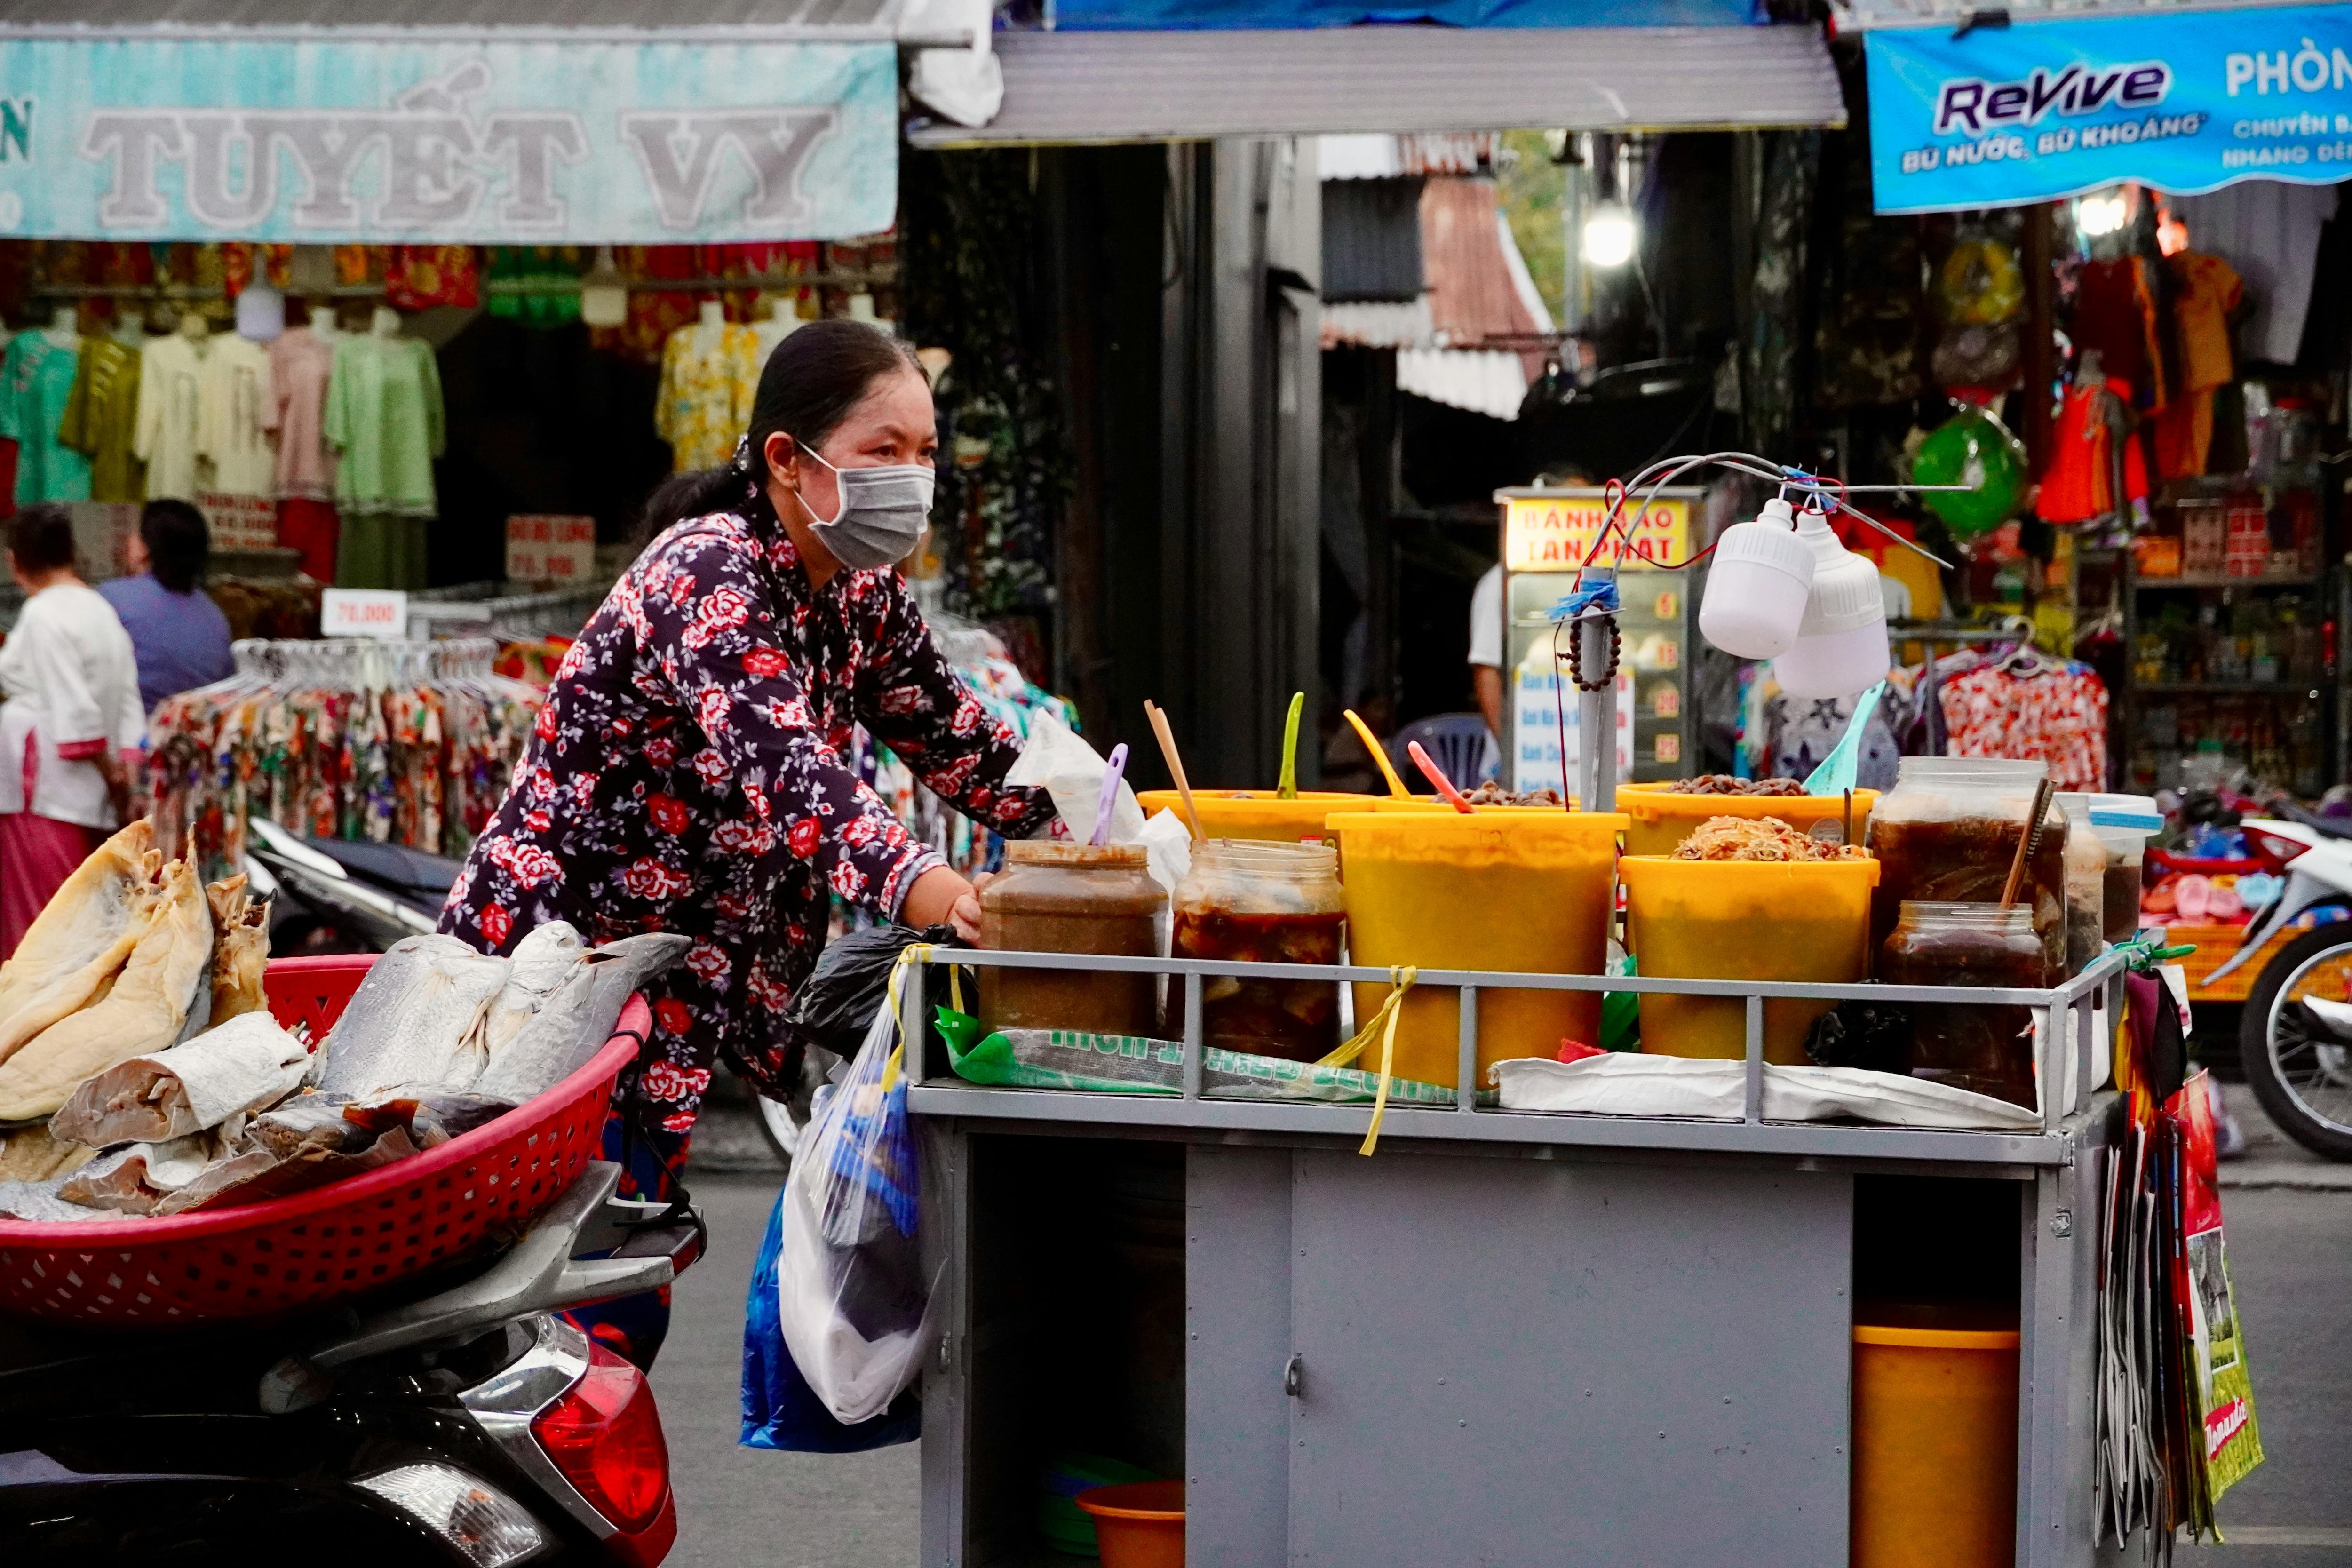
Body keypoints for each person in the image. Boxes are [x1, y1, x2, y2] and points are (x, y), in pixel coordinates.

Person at [438, 320, 1056, 1363]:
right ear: (786, 458)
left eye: (926, 453)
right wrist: (933, 885)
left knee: (616, 1265)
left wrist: (1116, 828)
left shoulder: (857, 595)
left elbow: (963, 744)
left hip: (675, 989)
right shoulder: (706, 574)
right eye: (882, 450)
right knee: (549, 1283)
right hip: (556, 978)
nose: (913, 477)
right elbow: (791, 773)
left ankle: (572, 1495)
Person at [0, 505, 143, 957]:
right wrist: (121, 776)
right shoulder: (100, 609)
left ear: (14, 560)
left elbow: (74, 709)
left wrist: (111, 772)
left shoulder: (43, 615)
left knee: (37, 929)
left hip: (43, 790)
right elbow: (126, 702)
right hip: (90, 797)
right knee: (79, 924)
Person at [97, 499, 235, 712]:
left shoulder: (111, 598)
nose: (128, 541)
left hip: (130, 739)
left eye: (135, 535)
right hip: (194, 739)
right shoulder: (216, 618)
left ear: (145, 549)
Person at [1469, 563, 1504, 740]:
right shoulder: (1498, 584)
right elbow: (1486, 669)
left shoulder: (1591, 576)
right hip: (1525, 750)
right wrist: (1507, 747)